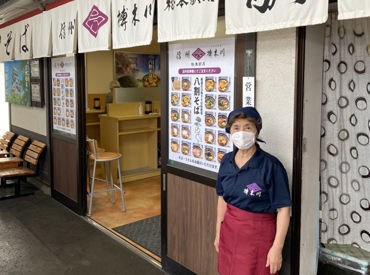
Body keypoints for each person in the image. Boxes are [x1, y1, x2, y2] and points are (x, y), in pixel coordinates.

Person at [214, 107, 291, 275]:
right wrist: (218, 233)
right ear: (229, 131)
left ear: (257, 131)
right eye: (236, 127)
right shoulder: (226, 161)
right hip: (229, 232)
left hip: (259, 237)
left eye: (248, 127)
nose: (242, 132)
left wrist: (277, 248)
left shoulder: (271, 166)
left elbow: (284, 209)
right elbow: (222, 198)